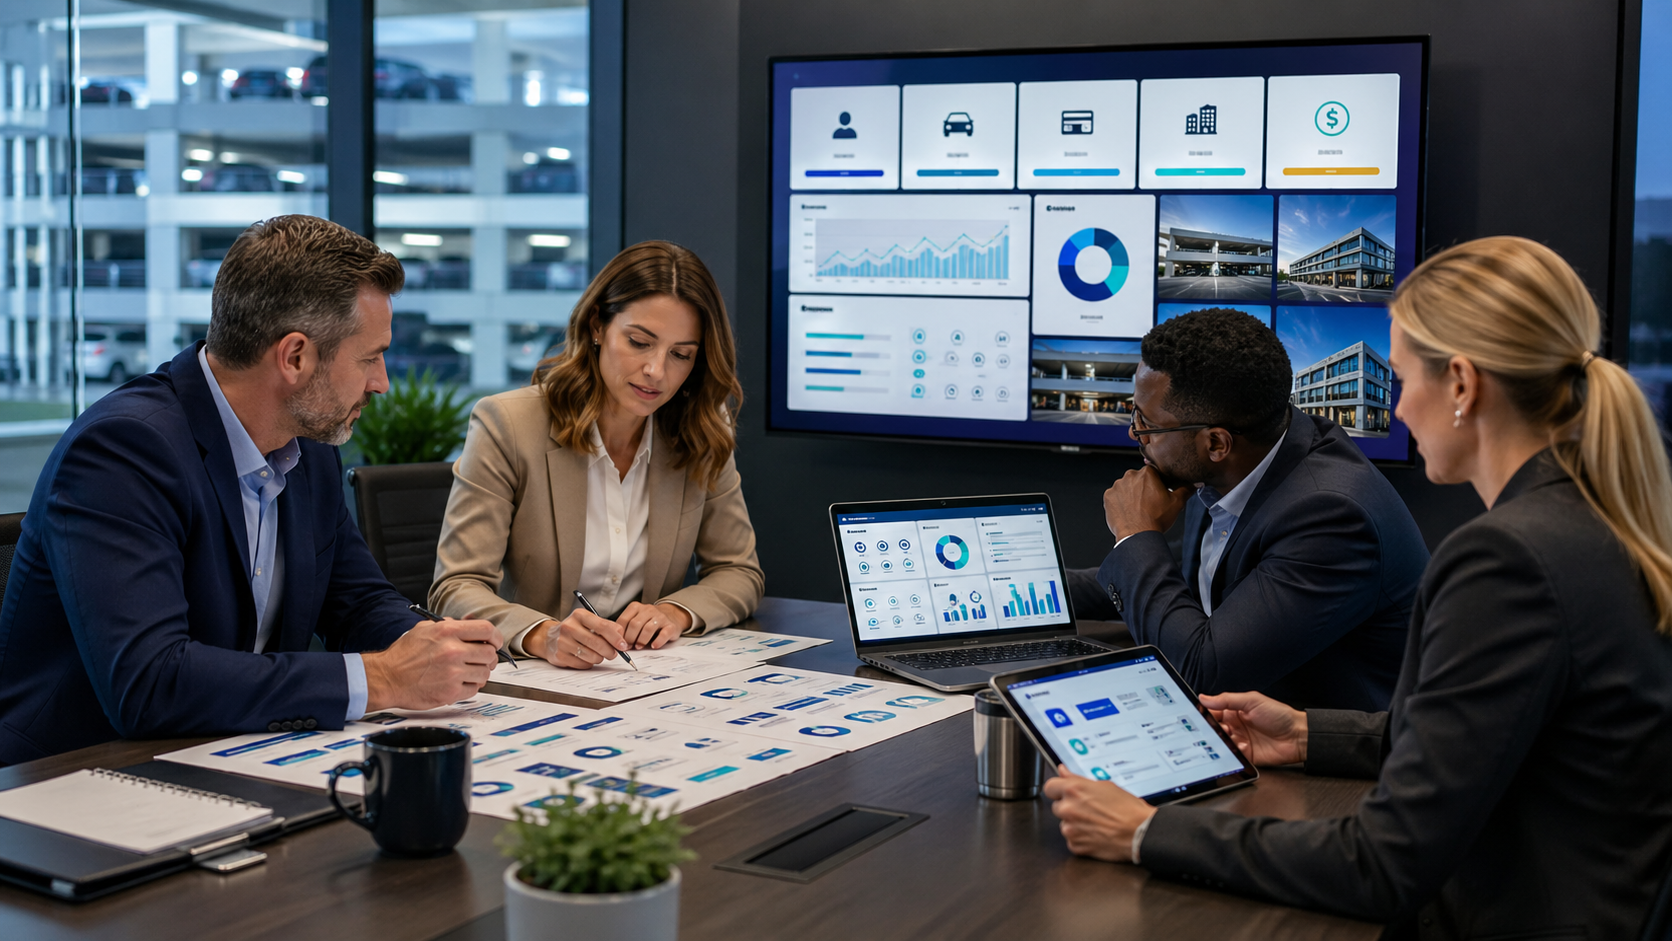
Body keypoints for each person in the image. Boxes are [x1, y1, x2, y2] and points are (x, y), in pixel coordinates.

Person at [1044, 237, 1672, 939]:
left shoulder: (1505, 561)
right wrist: (1307, 733)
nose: (1398, 411)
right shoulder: (1587, 519)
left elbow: (1383, 864)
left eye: (1401, 379)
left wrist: (1144, 831)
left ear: (1462, 386)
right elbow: (1479, 733)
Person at [0, 215, 502, 765]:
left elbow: (358, 602)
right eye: (369, 358)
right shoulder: (123, 451)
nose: (380, 382)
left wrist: (439, 648)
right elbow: (150, 683)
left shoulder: (307, 445)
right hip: (77, 775)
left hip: (235, 751)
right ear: (295, 357)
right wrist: (382, 677)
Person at [1072, 309, 1427, 711]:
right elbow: (1187, 576)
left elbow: (1202, 673)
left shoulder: (1331, 517)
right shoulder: (1238, 463)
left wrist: (1134, 533)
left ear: (1216, 444)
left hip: (1320, 743)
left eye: (1146, 423)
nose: (1133, 432)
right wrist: (1035, 593)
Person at [430, 240, 763, 669]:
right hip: (533, 677)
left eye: (680, 354)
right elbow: (456, 587)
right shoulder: (508, 424)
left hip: (642, 676)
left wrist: (673, 612)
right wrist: (543, 634)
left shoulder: (700, 430)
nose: (656, 371)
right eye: (639, 342)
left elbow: (740, 572)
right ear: (597, 326)